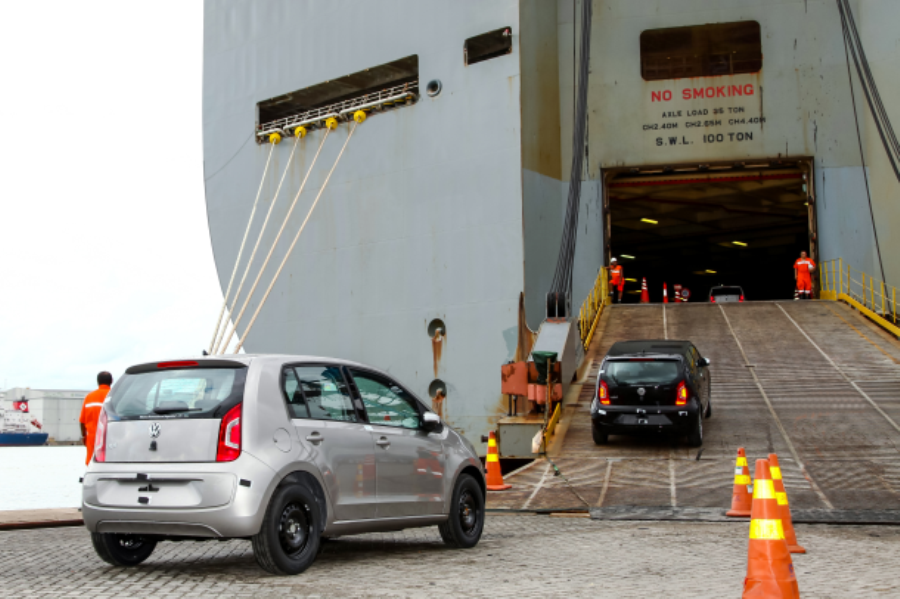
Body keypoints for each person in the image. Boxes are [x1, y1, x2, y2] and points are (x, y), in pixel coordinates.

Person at [80, 371, 112, 465]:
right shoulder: (114, 395)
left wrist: (84, 436)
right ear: (111, 381)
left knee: (91, 464)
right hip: (110, 438)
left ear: (97, 381)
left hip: (92, 438)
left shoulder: (89, 397)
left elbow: (82, 421)